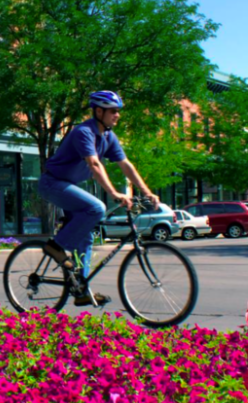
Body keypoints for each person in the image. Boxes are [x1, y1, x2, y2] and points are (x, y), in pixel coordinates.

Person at [38, 90, 161, 306]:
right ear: (99, 111)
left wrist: (146, 191)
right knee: (97, 207)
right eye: (113, 111)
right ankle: (55, 247)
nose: (117, 115)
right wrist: (114, 193)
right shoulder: (83, 132)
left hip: (68, 185)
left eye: (118, 111)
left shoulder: (108, 137)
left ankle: (80, 289)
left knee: (85, 238)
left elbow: (126, 165)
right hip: (52, 183)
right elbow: (94, 164)